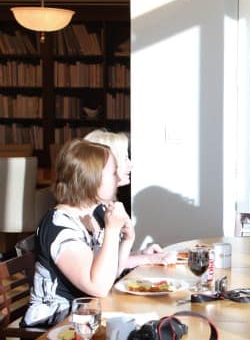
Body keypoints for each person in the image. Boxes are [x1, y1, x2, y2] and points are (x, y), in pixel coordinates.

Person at [22, 139, 135, 327]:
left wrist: (127, 241)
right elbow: (98, 287)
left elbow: (108, 277)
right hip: (53, 328)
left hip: (83, 316)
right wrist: (112, 231)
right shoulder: (59, 226)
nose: (118, 178)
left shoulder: (94, 214)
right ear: (90, 179)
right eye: (113, 172)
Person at [84, 129, 176, 267]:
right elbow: (98, 268)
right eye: (125, 158)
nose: (131, 165)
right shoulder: (85, 214)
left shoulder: (103, 206)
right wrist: (150, 259)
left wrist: (141, 254)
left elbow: (111, 259)